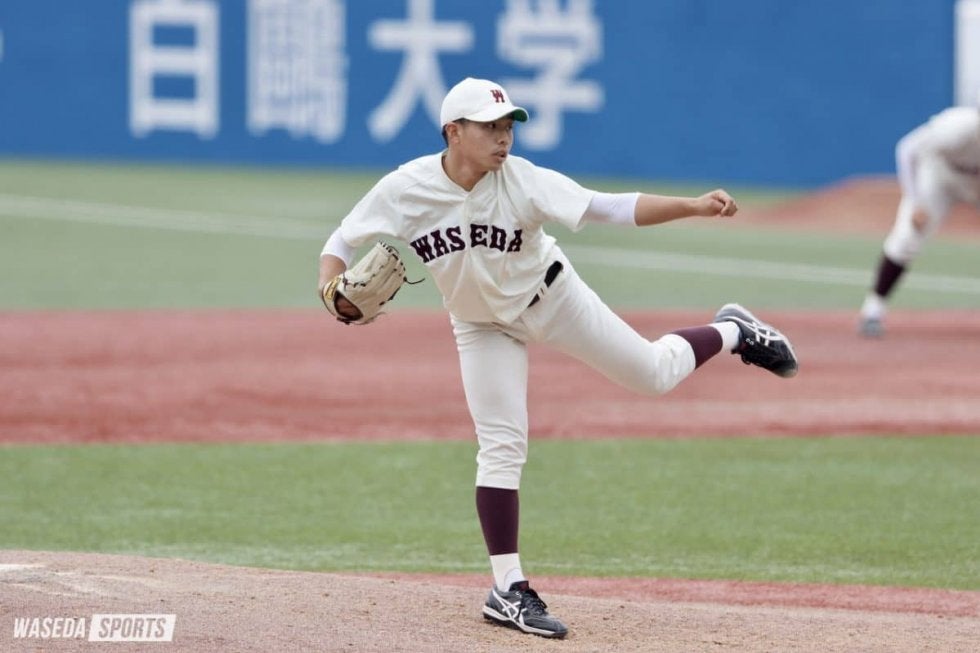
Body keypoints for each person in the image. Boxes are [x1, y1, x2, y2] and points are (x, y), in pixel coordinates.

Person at [317, 77, 798, 639]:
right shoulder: (407, 187)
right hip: (479, 324)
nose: (504, 137)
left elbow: (609, 207)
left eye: (508, 126)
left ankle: (733, 331)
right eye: (489, 127)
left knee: (653, 373)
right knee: (501, 446)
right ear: (453, 132)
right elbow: (341, 240)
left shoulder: (523, 180)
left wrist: (691, 205)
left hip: (553, 299)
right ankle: (508, 589)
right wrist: (331, 290)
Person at [858, 94, 980, 337]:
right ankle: (873, 310)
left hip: (975, 178)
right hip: (939, 174)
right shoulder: (959, 127)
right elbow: (907, 148)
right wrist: (915, 202)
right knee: (908, 237)